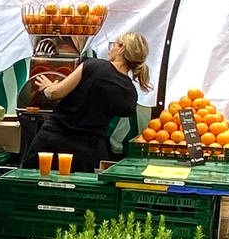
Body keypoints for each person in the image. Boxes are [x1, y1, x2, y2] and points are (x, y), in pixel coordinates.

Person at [20, 32, 143, 172]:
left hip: (54, 140)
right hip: (88, 150)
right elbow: (123, 109)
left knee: (38, 182)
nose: (110, 48)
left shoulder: (93, 66)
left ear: (121, 48)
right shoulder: (129, 91)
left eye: (113, 45)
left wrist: (47, 88)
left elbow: (55, 93)